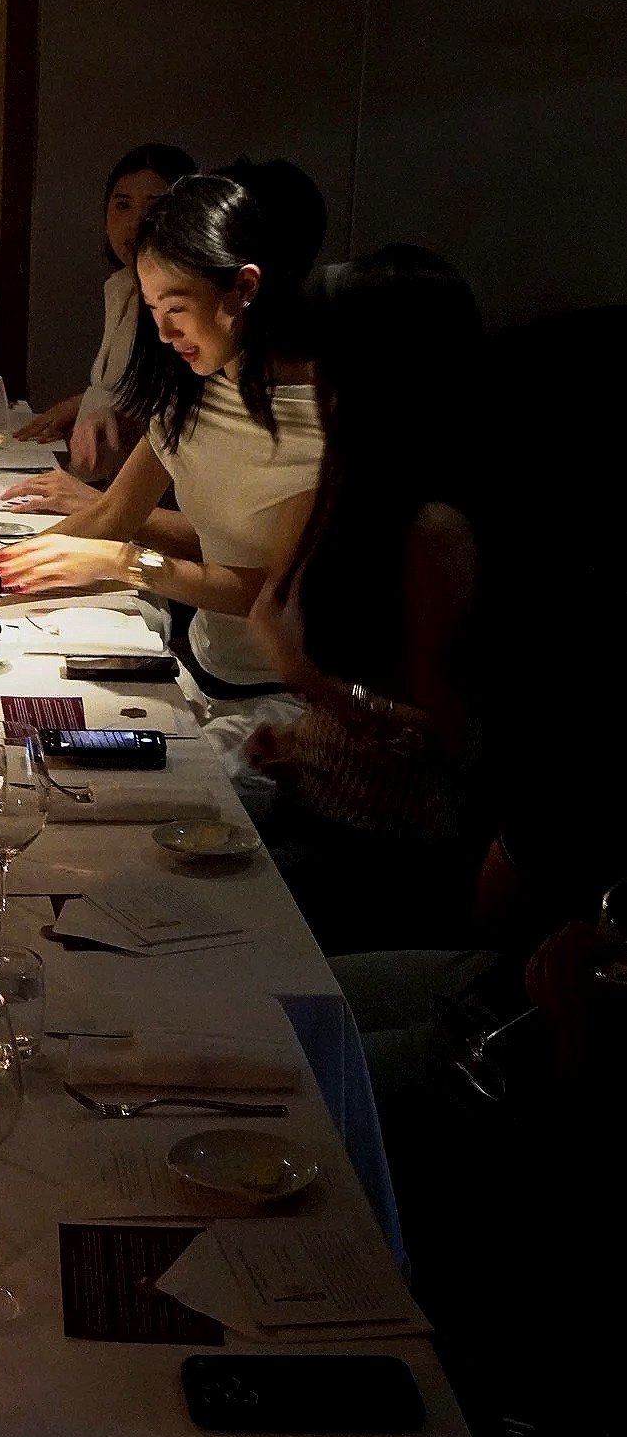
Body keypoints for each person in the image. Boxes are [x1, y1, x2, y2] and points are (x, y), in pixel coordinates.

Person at [0, 169, 325, 724]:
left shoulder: (327, 416)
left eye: (176, 308)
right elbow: (112, 516)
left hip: (299, 701)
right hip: (206, 669)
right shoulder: (194, 394)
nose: (164, 334)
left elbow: (273, 597)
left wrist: (128, 564)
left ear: (243, 288)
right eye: (152, 311)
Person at [243, 248, 487, 950]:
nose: (311, 375)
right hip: (311, 812)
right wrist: (297, 741)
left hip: (380, 861)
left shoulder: (432, 527)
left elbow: (447, 743)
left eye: (328, 357)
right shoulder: (352, 487)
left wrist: (308, 682)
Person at [14, 141, 195, 478]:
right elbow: (128, 386)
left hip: (143, 497)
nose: (136, 222)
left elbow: (178, 412)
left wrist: (112, 414)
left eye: (154, 207)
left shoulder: (185, 308)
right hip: (98, 479)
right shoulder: (122, 287)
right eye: (122, 205)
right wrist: (80, 404)